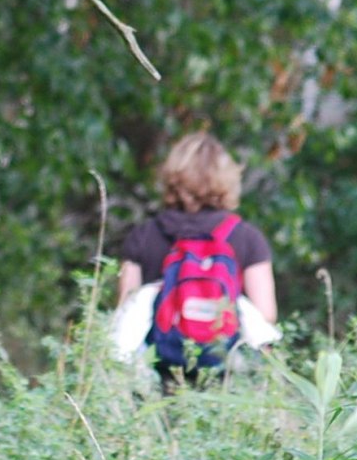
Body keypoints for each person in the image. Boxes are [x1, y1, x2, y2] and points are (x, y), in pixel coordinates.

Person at [115, 131, 278, 383]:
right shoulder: (247, 238)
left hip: (158, 375)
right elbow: (266, 314)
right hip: (226, 375)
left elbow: (127, 306)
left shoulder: (144, 235)